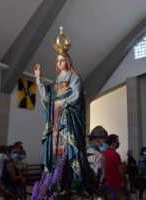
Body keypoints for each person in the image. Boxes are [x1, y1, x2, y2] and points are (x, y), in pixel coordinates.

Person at [32, 27, 97, 199]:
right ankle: (57, 184)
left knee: (70, 151)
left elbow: (76, 95)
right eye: (57, 60)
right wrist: (38, 79)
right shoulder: (55, 82)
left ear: (68, 61)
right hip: (55, 122)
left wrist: (64, 101)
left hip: (68, 120)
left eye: (62, 60)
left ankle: (74, 184)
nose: (59, 63)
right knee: (55, 153)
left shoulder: (74, 78)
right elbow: (47, 99)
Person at [103, 134, 127, 200]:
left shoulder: (103, 153)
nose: (118, 143)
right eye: (117, 141)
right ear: (113, 143)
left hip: (107, 183)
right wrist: (124, 180)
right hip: (116, 183)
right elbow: (120, 171)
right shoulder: (116, 155)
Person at [87, 127, 106, 196]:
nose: (103, 143)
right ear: (97, 139)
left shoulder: (83, 152)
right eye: (103, 139)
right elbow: (98, 177)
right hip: (94, 192)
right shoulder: (99, 155)